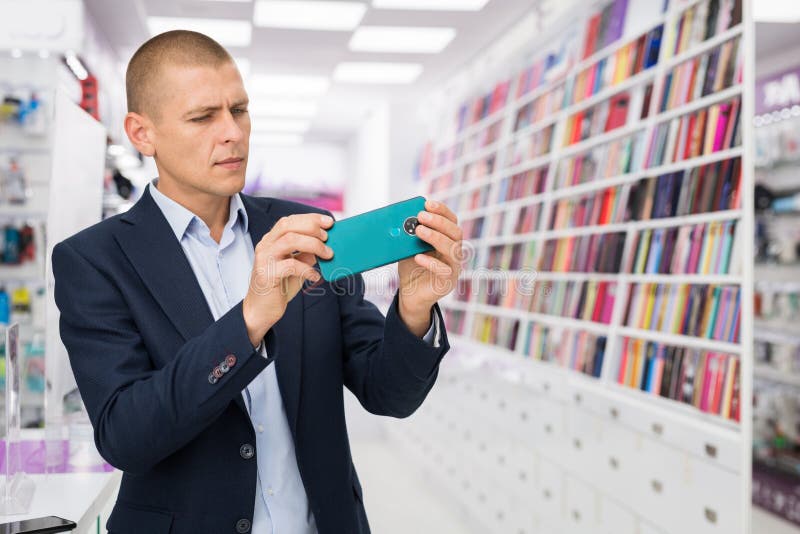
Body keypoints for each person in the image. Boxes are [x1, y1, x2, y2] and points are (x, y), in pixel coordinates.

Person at [52, 30, 462, 534]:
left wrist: (414, 310)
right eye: (204, 117)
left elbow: (388, 394)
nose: (233, 133)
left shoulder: (306, 229)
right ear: (142, 133)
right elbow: (126, 437)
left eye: (239, 110)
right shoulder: (94, 261)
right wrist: (249, 322)